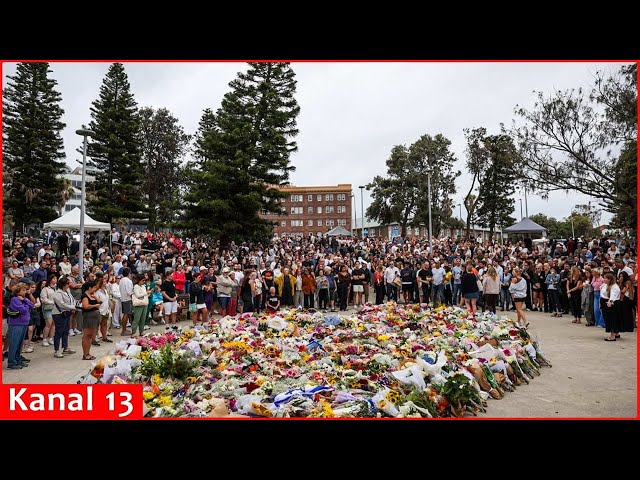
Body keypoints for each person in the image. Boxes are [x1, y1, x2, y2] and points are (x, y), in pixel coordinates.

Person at [6, 283, 33, 369]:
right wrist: (25, 303)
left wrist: (25, 301)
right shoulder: (15, 299)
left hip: (23, 323)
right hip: (16, 324)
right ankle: (11, 362)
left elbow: (32, 305)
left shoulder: (23, 299)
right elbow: (24, 310)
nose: (25, 292)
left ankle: (17, 359)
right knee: (14, 343)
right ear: (18, 291)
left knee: (19, 344)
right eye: (23, 290)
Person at [51, 275, 77, 358]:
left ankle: (65, 347)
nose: (69, 285)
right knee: (59, 332)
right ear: (63, 284)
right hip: (59, 314)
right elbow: (61, 304)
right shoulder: (57, 293)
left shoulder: (67, 291)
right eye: (67, 283)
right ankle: (56, 350)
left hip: (67, 313)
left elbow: (72, 300)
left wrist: (73, 306)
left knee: (66, 330)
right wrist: (72, 307)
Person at [80, 280, 101, 360]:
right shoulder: (85, 296)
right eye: (94, 287)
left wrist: (95, 298)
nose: (95, 289)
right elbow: (86, 306)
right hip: (89, 316)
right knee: (87, 335)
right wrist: (95, 305)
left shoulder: (92, 295)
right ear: (89, 288)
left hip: (94, 316)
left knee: (90, 336)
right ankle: (85, 354)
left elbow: (99, 302)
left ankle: (88, 353)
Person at [600, 273, 621, 341]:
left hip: (610, 303)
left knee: (612, 319)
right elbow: (602, 293)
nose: (604, 279)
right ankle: (616, 333)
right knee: (609, 318)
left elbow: (613, 295)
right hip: (604, 302)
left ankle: (612, 336)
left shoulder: (614, 286)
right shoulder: (605, 284)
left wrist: (610, 301)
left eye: (605, 278)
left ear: (610, 279)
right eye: (604, 278)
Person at [39, 274, 57, 347]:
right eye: (54, 278)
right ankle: (44, 339)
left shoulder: (57, 288)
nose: (55, 280)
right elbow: (43, 299)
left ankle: (51, 338)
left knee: (53, 324)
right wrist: (51, 302)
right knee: (48, 324)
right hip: (48, 308)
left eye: (56, 278)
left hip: (55, 308)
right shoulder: (45, 289)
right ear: (50, 280)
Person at [95, 274, 113, 344]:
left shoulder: (105, 290)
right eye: (104, 282)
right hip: (100, 310)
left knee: (104, 324)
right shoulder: (97, 292)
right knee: (97, 325)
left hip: (106, 309)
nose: (106, 283)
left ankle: (104, 336)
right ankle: (95, 338)